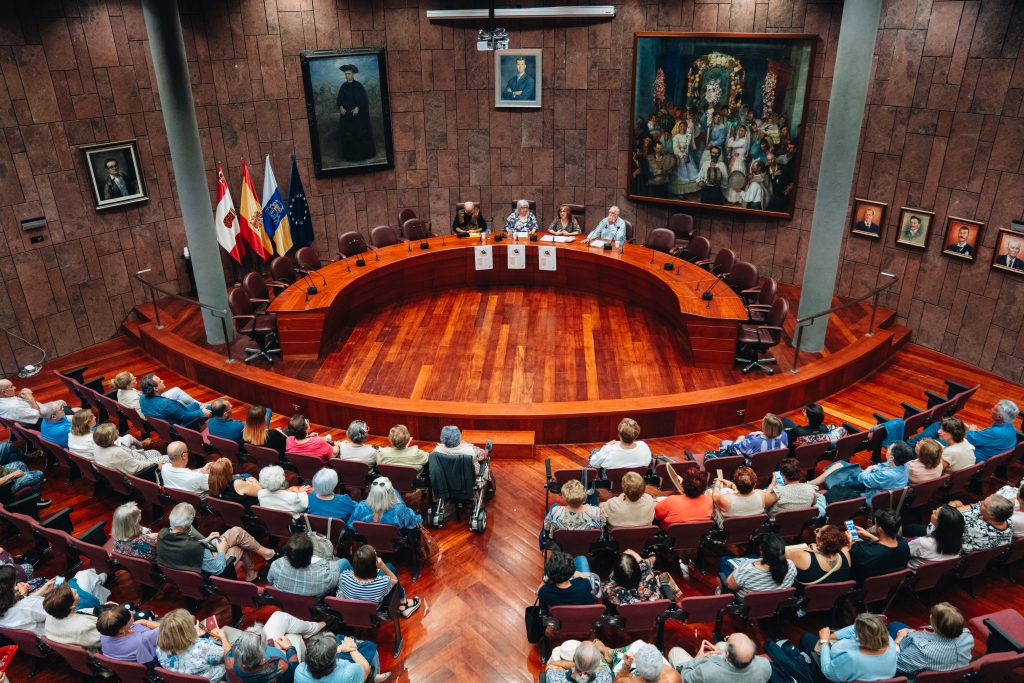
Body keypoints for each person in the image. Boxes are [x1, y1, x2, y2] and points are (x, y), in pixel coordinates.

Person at [158, 502, 274, 580]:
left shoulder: (162, 534)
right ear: (189, 526)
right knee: (240, 546)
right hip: (209, 571)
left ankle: (267, 553)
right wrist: (222, 551)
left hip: (191, 563)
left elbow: (181, 546)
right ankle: (252, 574)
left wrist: (204, 541)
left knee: (237, 531)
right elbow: (218, 568)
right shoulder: (196, 549)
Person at [810, 440, 914, 506]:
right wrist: (873, 468)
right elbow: (881, 466)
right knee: (841, 464)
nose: (887, 449)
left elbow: (863, 479)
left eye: (889, 450)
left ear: (892, 457)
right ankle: (812, 483)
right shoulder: (902, 465)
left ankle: (811, 485)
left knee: (839, 467)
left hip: (867, 492)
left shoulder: (889, 475)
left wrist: (869, 468)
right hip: (871, 481)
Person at [799, 613, 897, 682]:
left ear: (862, 637)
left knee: (806, 637)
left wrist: (824, 642)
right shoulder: (890, 641)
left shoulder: (852, 658)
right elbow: (854, 629)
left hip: (833, 674)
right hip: (870, 674)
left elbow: (828, 671)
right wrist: (832, 636)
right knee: (836, 631)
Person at [911, 399, 1018, 461]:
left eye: (994, 409)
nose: (991, 410)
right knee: (941, 426)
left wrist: (971, 429)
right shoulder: (1011, 430)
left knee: (938, 428)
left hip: (967, 455)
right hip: (977, 453)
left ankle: (911, 448)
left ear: (999, 417)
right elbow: (986, 438)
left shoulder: (996, 432)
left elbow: (969, 438)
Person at [887, 602, 974, 676]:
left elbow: (898, 665)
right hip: (955, 674)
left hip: (915, 673)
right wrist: (915, 631)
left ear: (934, 622)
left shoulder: (921, 649)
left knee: (894, 626)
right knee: (896, 625)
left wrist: (897, 642)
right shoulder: (967, 635)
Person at [337, 544, 420, 618]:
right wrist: (383, 566)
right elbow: (395, 580)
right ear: (374, 566)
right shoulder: (381, 583)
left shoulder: (344, 577)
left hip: (352, 612)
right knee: (389, 566)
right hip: (373, 611)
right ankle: (403, 603)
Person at [156, 608, 231, 681]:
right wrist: (223, 637)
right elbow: (227, 656)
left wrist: (194, 636)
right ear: (186, 632)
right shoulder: (203, 647)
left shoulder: (159, 649)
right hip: (216, 678)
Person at [668, 632, 771, 682]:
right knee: (720, 644)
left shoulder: (708, 671)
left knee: (675, 652)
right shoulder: (765, 665)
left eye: (727, 639)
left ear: (728, 654)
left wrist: (696, 659)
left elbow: (685, 677)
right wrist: (722, 652)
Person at [295, 630, 390, 683]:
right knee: (371, 648)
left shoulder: (299, 670)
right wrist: (352, 648)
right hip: (357, 674)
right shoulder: (349, 672)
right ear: (334, 658)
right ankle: (373, 678)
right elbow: (365, 668)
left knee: (339, 637)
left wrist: (340, 648)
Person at [721, 533, 796, 599]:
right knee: (751, 555)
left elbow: (730, 585)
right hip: (776, 601)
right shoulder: (791, 565)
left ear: (761, 552)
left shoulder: (747, 570)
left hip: (747, 603)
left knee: (724, 560)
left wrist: (737, 570)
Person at [268, 532, 342, 597]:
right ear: (311, 555)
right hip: (314, 603)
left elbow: (270, 581)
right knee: (344, 562)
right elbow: (336, 577)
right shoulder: (324, 577)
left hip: (285, 602)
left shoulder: (276, 565)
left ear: (287, 553)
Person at [848, 509, 910, 581]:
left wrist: (849, 540)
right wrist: (870, 536)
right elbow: (887, 545)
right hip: (889, 586)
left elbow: (851, 551)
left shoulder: (864, 552)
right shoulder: (904, 545)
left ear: (880, 529)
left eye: (875, 524)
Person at [111, 371, 198, 418]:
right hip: (154, 410)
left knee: (176, 391)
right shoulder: (133, 398)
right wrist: (158, 399)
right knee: (178, 400)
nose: (135, 377)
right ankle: (200, 407)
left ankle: (201, 405)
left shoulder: (122, 389)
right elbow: (144, 416)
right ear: (128, 384)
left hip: (152, 400)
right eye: (133, 378)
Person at [224, 628, 299, 682]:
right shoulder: (278, 666)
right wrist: (289, 647)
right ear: (262, 659)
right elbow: (294, 669)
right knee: (295, 637)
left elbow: (227, 651)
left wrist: (223, 637)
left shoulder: (229, 660)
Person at [787, 524, 852, 586]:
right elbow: (845, 546)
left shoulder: (804, 557)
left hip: (808, 596)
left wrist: (809, 547)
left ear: (820, 542)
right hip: (837, 595)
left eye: (818, 531)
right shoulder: (845, 553)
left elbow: (787, 553)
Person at [94, 422, 167, 475]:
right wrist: (155, 464)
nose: (117, 431)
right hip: (139, 470)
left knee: (155, 452)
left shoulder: (97, 446)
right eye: (115, 431)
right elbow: (137, 467)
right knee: (167, 457)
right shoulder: (117, 452)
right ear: (111, 438)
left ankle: (162, 472)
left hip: (131, 459)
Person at [349, 476, 422, 529]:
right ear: (391, 493)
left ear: (372, 492)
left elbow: (351, 525)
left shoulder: (361, 506)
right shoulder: (398, 509)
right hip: (393, 544)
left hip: (366, 543)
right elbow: (412, 522)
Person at [96, 604, 161, 665]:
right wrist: (145, 622)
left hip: (125, 667)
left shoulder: (104, 635)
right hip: (151, 663)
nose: (131, 612)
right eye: (129, 616)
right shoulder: (143, 639)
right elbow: (166, 628)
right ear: (121, 629)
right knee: (158, 619)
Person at [336, 64, 375, 162]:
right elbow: (339, 100)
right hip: (346, 117)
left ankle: (362, 156)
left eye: (348, 74)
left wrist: (358, 107)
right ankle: (350, 156)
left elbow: (364, 100)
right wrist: (340, 107)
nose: (347, 76)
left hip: (358, 117)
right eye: (345, 74)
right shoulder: (343, 86)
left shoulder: (359, 86)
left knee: (359, 134)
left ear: (353, 74)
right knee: (348, 135)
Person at [948, 494, 1014, 552]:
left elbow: (946, 514)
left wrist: (953, 505)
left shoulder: (974, 527)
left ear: (991, 515)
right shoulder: (1009, 522)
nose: (981, 502)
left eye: (984, 505)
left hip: (960, 556)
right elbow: (977, 506)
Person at [139, 374, 208, 428]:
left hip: (167, 428)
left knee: (195, 405)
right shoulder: (167, 404)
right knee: (212, 408)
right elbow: (186, 417)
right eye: (160, 381)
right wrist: (201, 413)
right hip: (183, 426)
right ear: (156, 388)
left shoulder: (142, 398)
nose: (163, 381)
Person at [907, 505, 964, 569]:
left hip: (913, 571)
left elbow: (904, 552)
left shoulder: (923, 543)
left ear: (940, 524)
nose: (932, 511)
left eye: (935, 513)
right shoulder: (958, 543)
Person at [716, 413, 787, 462]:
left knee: (724, 443)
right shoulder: (784, 435)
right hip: (772, 464)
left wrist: (739, 439)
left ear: (766, 427)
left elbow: (735, 448)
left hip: (753, 466)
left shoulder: (754, 440)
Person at [588, 418, 653, 470]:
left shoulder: (608, 449)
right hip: (636, 481)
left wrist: (607, 446)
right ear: (636, 434)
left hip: (613, 483)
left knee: (595, 452)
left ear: (619, 434)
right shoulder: (643, 446)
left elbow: (593, 463)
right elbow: (649, 462)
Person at [0, 379, 66, 428]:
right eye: (11, 387)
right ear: (4, 392)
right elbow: (38, 415)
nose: (15, 388)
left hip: (28, 415)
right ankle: (67, 422)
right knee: (61, 403)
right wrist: (31, 398)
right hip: (40, 419)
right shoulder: (14, 407)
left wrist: (20, 397)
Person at [545, 640, 613, 683]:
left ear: (574, 659)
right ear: (596, 664)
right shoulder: (606, 677)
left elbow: (549, 666)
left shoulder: (554, 677)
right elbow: (601, 669)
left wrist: (562, 670)